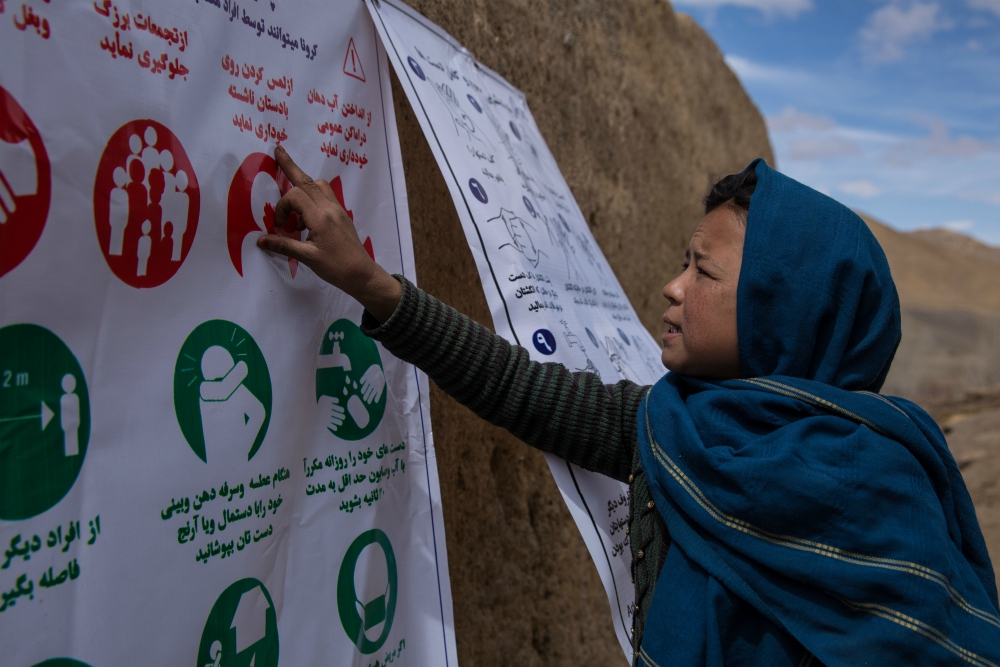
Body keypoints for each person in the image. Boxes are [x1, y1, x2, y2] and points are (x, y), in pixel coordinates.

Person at [257, 145, 1000, 666]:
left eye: (701, 270)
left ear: (783, 310)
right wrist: (372, 284)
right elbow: (523, 389)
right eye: (683, 260)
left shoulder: (879, 488)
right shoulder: (680, 428)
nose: (673, 286)